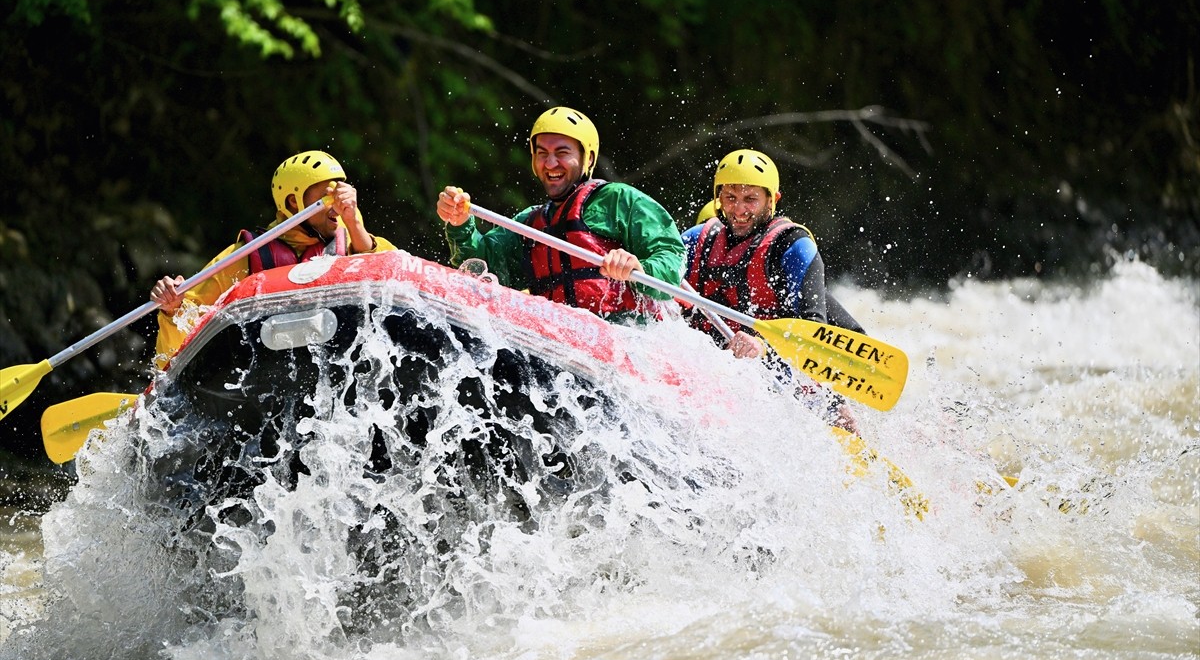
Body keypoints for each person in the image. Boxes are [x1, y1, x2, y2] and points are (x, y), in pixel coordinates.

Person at [436, 106, 685, 322]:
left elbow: (671, 256)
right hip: (557, 341)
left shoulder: (618, 200)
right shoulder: (530, 223)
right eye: (542, 153)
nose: (550, 163)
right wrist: (460, 224)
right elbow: (480, 269)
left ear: (588, 159)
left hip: (626, 332)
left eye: (562, 153)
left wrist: (640, 268)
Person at [150, 150, 396, 361]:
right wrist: (173, 310)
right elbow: (176, 346)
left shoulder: (352, 232)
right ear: (293, 203)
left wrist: (354, 224)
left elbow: (391, 273)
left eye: (341, 193)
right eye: (327, 196)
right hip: (267, 373)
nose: (338, 205)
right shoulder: (247, 255)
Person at [683, 149, 863, 433]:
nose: (739, 209)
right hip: (721, 364)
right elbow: (659, 264)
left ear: (772, 199)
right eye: (730, 197)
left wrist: (764, 346)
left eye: (750, 199)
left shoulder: (791, 245)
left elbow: (814, 330)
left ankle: (843, 419)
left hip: (787, 363)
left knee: (834, 408)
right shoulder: (699, 240)